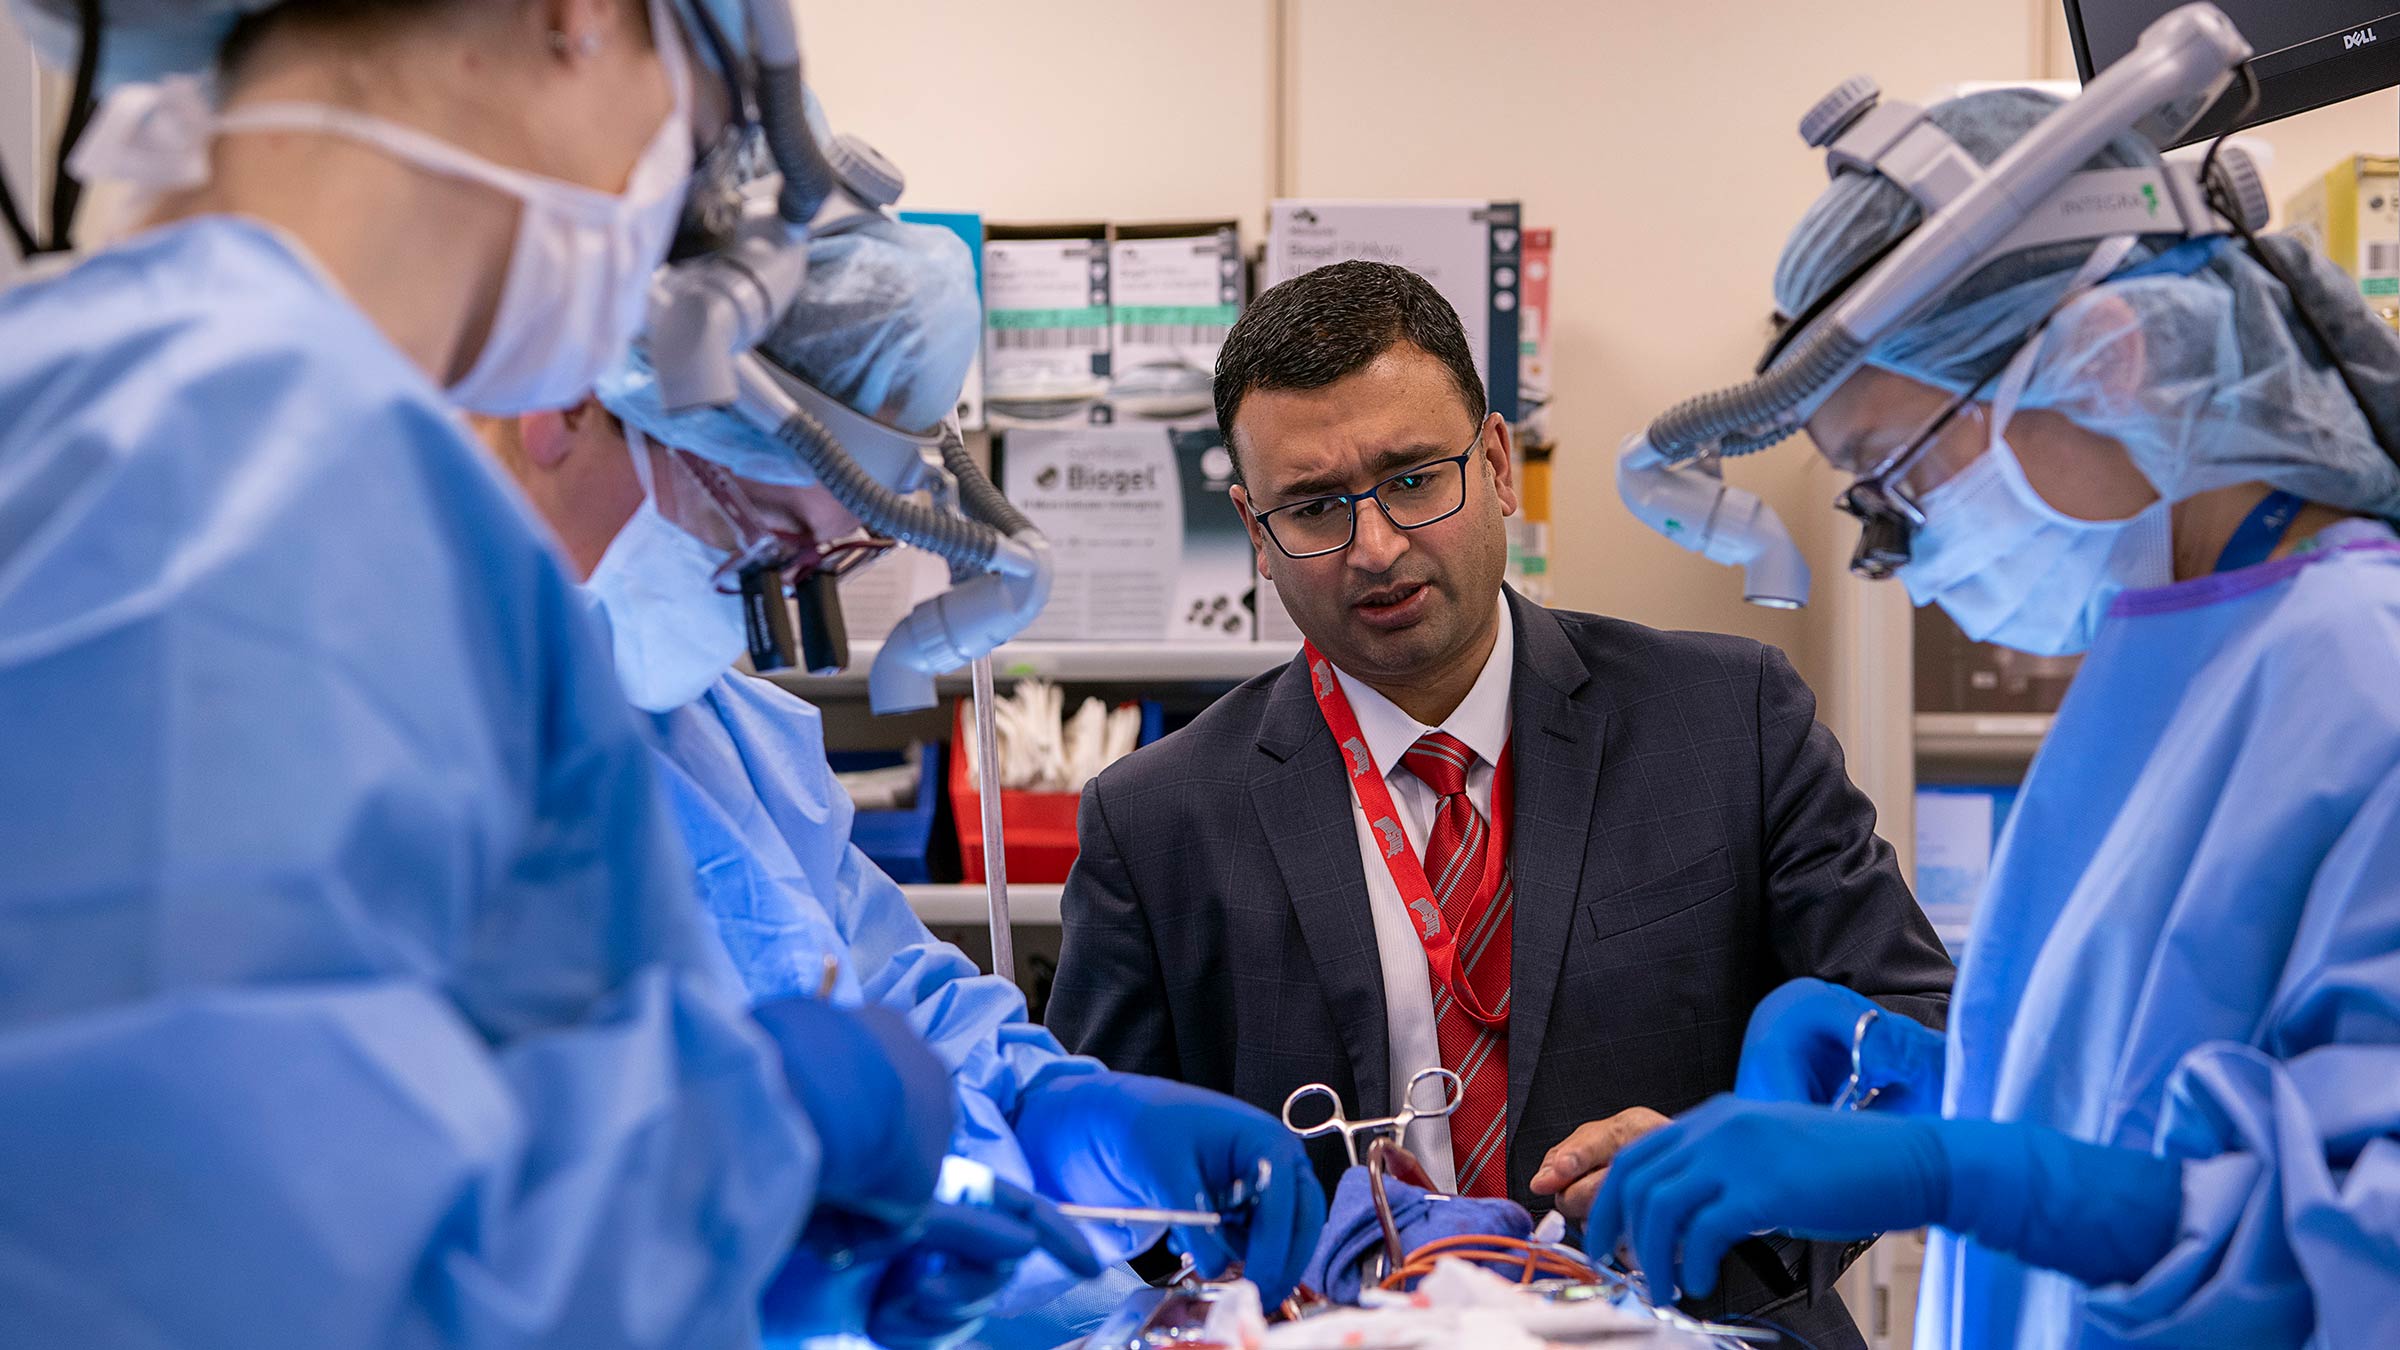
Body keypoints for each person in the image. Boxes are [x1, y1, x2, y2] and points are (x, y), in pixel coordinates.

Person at [0, 2, 1022, 1345]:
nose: (687, 223)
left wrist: (744, 1232)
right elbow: (239, 1261)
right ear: (584, 15)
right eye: (715, 129)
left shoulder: (280, 451)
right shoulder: (238, 462)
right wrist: (750, 1140)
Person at [1589, 87, 2400, 1349]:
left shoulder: (2363, 675)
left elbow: (2365, 1246)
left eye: (1896, 480)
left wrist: (1951, 1173)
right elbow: (2159, 1100)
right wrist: (1953, 1092)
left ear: (2108, 357)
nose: (1897, 556)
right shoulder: (2179, 659)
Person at [1045, 259, 1956, 1343]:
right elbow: (1093, 1179)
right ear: (1254, 529)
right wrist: (1222, 1259)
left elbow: (1920, 1040)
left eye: (1414, 478)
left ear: (1494, 463)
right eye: (1313, 507)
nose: (1374, 546)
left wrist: (1746, 1170)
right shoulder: (1155, 824)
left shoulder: (1730, 722)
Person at [485, 209, 1326, 1333]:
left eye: (819, 560)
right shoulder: (391, 727)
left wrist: (1053, 1109)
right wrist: (724, 1247)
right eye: (761, 530)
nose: (765, 593)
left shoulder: (730, 737)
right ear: (570, 403)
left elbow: (889, 997)